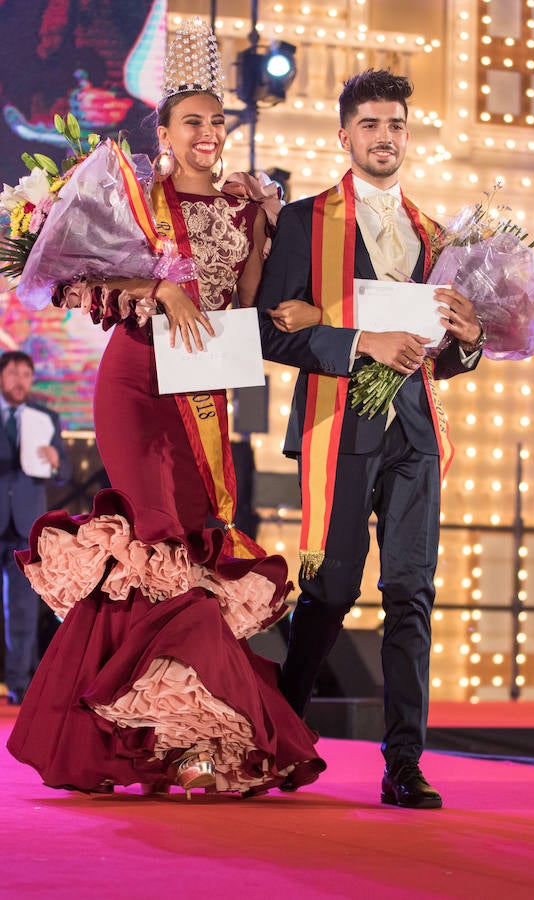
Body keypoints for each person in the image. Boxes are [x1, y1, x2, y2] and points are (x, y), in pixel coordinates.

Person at [7, 19, 325, 797]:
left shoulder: (249, 207)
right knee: (154, 545)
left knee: (192, 543)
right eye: (195, 122)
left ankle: (156, 739)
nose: (210, 134)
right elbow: (73, 282)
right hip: (133, 388)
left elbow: (246, 305)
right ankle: (176, 731)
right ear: (167, 130)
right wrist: (157, 288)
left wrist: (274, 241)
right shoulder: (129, 196)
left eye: (219, 122)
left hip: (204, 394)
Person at [258, 69, 485, 809]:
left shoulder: (434, 234)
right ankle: (284, 736)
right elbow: (274, 332)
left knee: (411, 592)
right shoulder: (303, 221)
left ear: (406, 136)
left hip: (416, 436)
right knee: (329, 590)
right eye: (371, 125)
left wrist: (471, 340)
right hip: (339, 427)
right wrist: (362, 342)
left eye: (396, 125)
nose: (385, 137)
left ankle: (405, 765)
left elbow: (440, 358)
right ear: (344, 136)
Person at [0, 350, 71, 706]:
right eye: (13, 373)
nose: (19, 380)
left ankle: (19, 683)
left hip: (25, 526)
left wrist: (57, 462)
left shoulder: (45, 417)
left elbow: (64, 472)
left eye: (26, 374)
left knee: (24, 610)